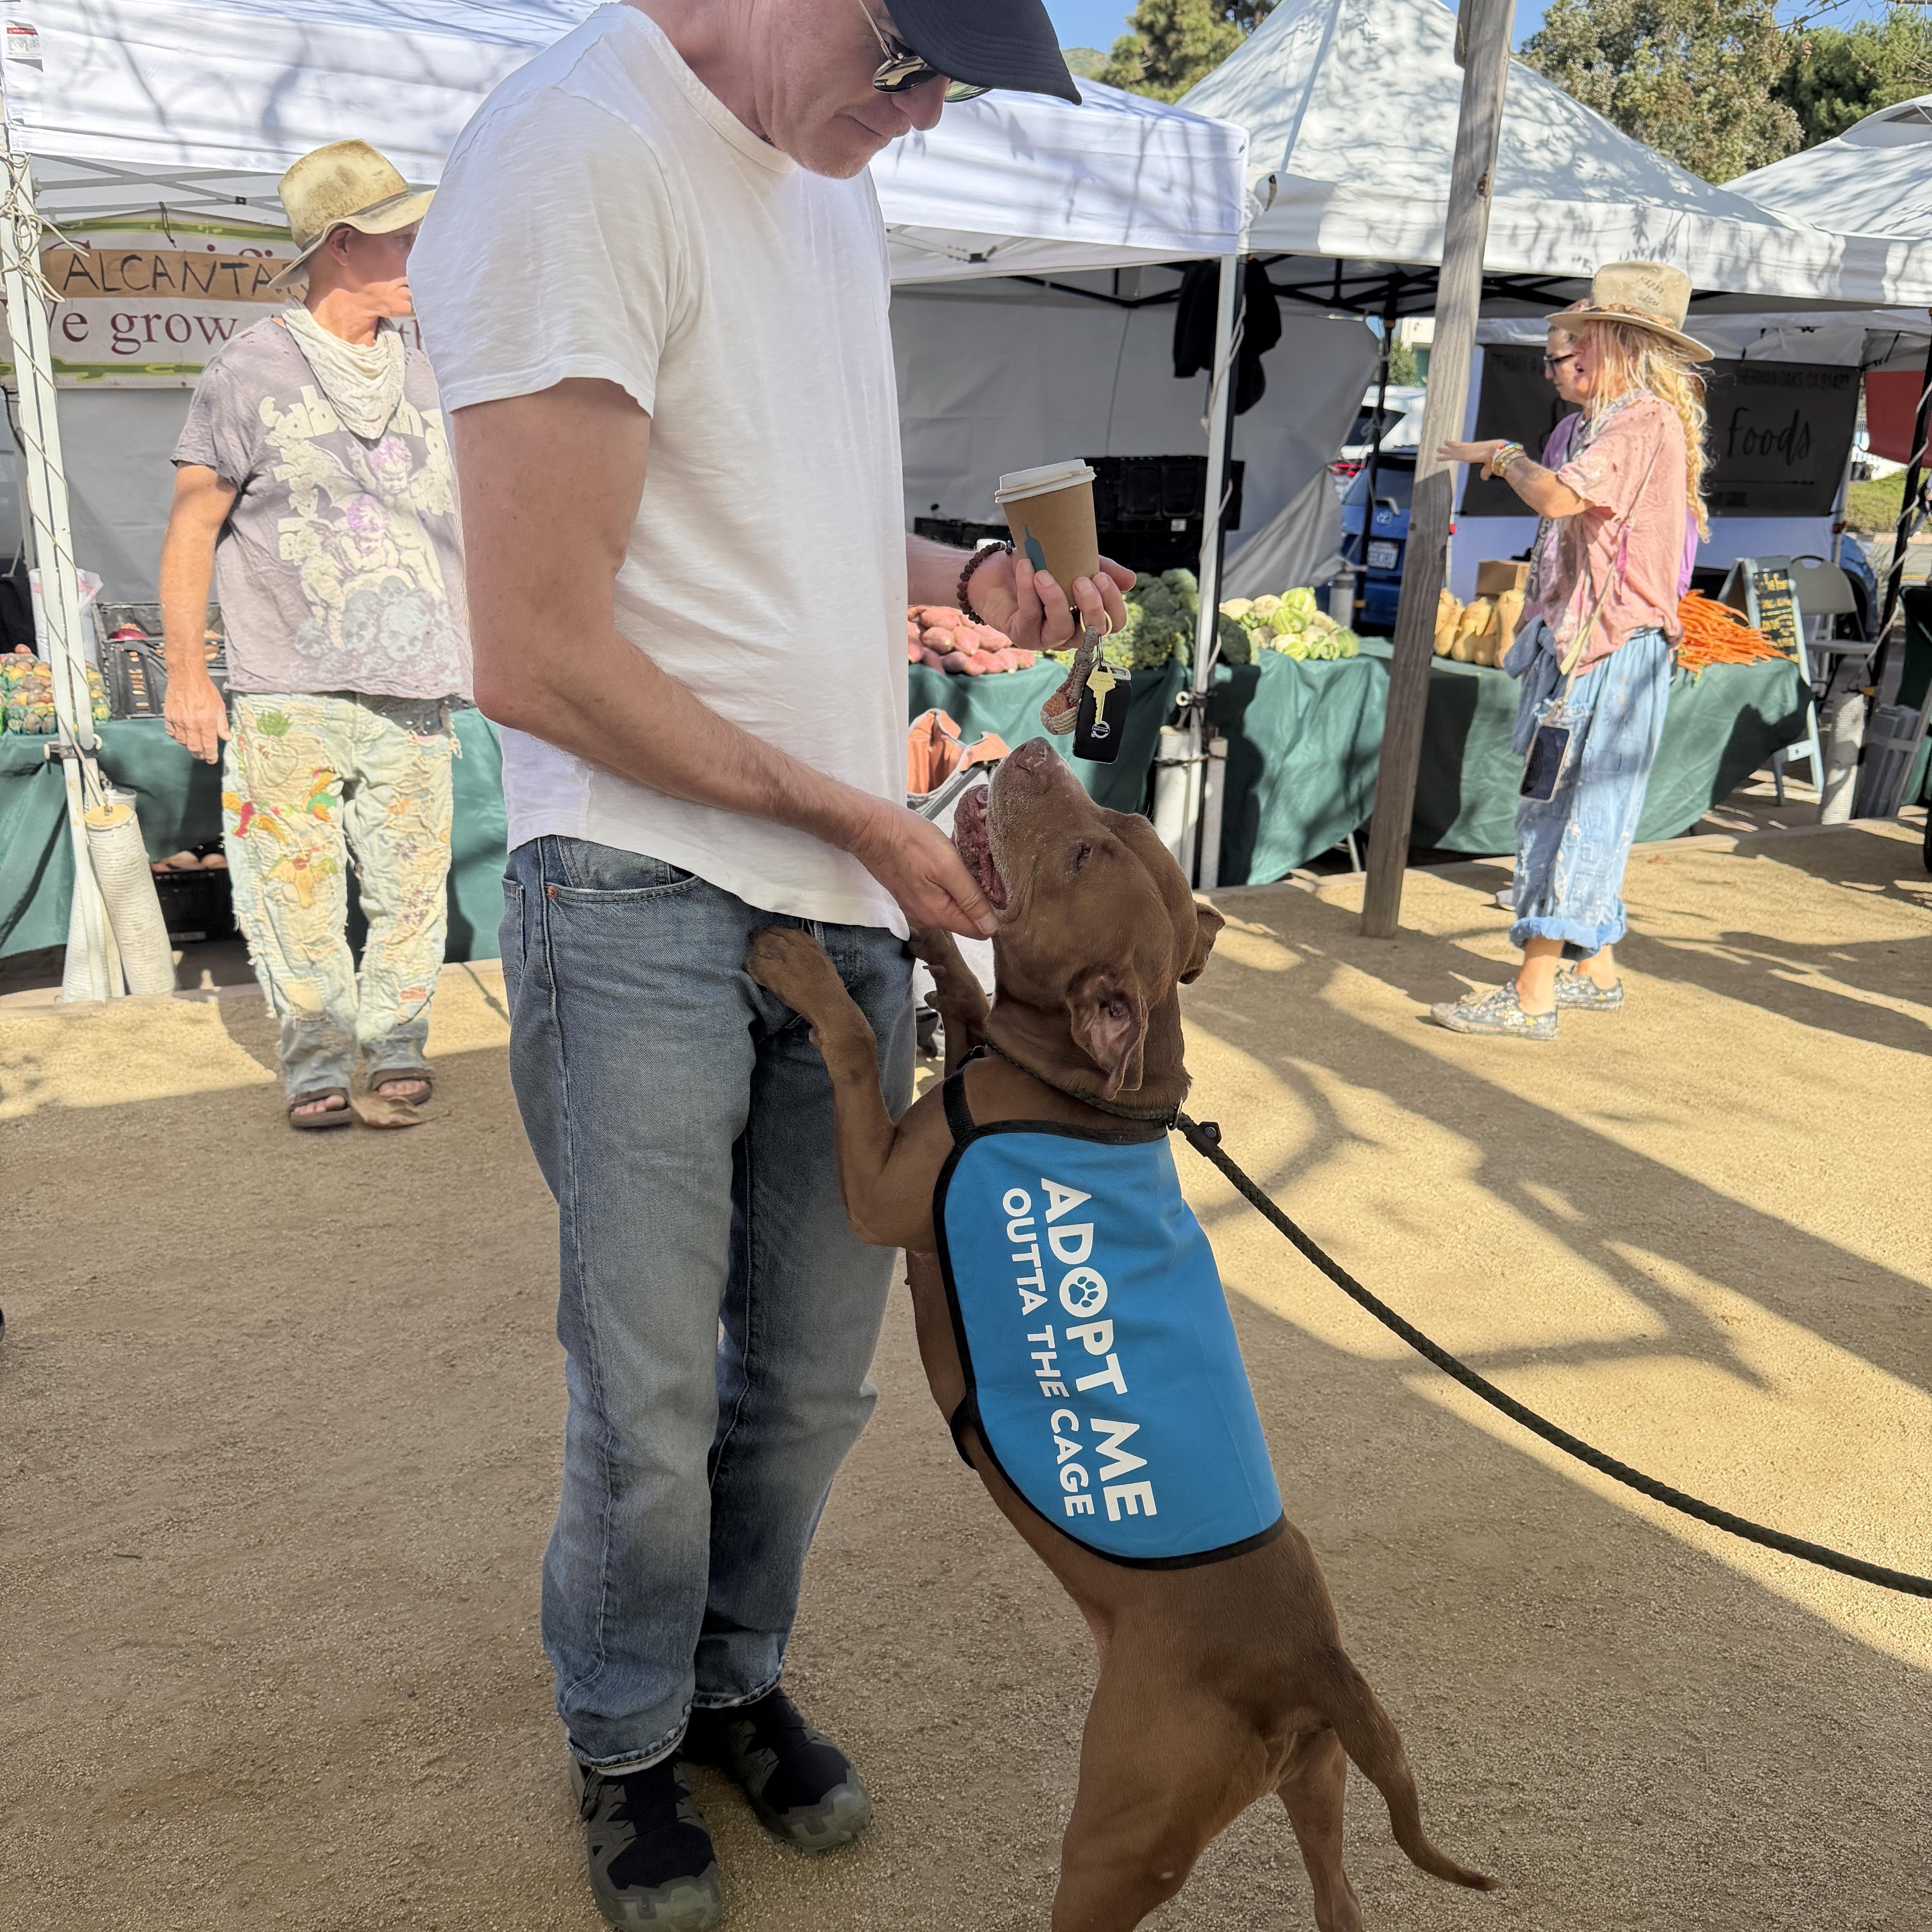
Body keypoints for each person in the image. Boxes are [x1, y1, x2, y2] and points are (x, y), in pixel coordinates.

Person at [405, 3, 1127, 1924]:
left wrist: (957, 580)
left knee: (810, 1381)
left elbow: (765, 507)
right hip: (638, 888)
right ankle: (626, 1733)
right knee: (647, 1392)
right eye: (915, 63)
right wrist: (864, 821)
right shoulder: (577, 151)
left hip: (831, 874)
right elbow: (534, 649)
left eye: (957, 85)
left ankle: (729, 1678)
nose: (927, 114)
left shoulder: (820, 168)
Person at [160, 140, 470, 1127]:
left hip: (418, 682)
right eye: (406, 239)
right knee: (290, 886)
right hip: (286, 684)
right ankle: (317, 1063)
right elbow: (192, 527)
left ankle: (396, 1045)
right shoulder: (247, 371)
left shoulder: (433, 368)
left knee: (414, 885)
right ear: (344, 244)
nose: (426, 254)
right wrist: (185, 673)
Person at [1433, 262, 1711, 1040]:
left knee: (1569, 815)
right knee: (1574, 805)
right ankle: (1593, 971)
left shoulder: (1643, 421)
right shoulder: (1604, 422)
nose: (1571, 349)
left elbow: (1557, 496)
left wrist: (1503, 457)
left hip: (1610, 650)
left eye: (1585, 334)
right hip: (1585, 642)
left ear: (1619, 340)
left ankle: (1532, 995)